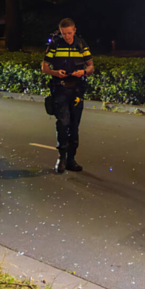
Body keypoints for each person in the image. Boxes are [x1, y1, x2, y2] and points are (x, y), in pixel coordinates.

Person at [41, 18, 93, 173]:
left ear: (74, 30)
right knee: (63, 124)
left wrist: (82, 72)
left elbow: (91, 66)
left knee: (74, 126)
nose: (67, 36)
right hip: (61, 89)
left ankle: (71, 159)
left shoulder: (81, 44)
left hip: (77, 90)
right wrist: (55, 72)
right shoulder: (55, 44)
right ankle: (61, 158)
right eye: (64, 33)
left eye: (69, 33)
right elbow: (44, 67)